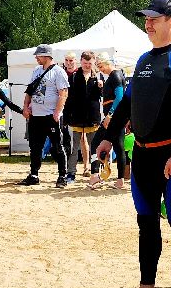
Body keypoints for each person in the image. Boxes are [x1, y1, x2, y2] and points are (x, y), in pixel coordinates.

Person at [95, 0, 171, 288]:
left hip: (170, 158)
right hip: (142, 158)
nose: (148, 23)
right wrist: (106, 138)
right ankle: (147, 287)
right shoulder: (144, 59)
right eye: (146, 18)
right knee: (146, 223)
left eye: (154, 19)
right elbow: (126, 106)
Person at [22, 44, 69, 187]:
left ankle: (62, 176)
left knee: (57, 146)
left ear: (46, 56)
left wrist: (57, 112)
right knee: (35, 146)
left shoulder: (58, 72)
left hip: (50, 115)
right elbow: (29, 91)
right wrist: (25, 107)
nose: (36, 58)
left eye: (39, 55)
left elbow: (63, 93)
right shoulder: (36, 70)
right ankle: (34, 174)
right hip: (36, 115)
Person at [90, 53, 128, 189]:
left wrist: (110, 115)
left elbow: (119, 97)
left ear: (107, 63)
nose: (100, 69)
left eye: (101, 66)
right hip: (114, 117)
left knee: (98, 143)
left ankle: (96, 175)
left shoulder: (116, 75)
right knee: (118, 147)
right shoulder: (112, 77)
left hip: (114, 117)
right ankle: (118, 180)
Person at [65, 51, 103, 179]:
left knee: (94, 147)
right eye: (85, 63)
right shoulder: (74, 76)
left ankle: (95, 172)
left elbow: (101, 97)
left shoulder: (98, 76)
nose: (87, 65)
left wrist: (101, 88)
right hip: (77, 117)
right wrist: (67, 116)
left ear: (94, 63)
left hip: (93, 117)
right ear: (80, 62)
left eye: (90, 63)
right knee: (74, 147)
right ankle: (71, 173)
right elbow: (68, 98)